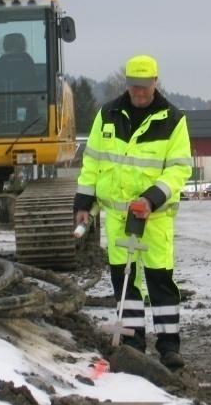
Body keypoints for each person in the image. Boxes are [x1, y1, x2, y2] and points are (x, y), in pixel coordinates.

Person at [73, 54, 192, 369]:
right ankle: (132, 343)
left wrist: (151, 199)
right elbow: (92, 163)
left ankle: (169, 348)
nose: (139, 92)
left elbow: (179, 170)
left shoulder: (172, 119)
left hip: (154, 220)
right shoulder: (108, 114)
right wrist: (84, 205)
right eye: (134, 86)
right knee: (124, 281)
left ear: (156, 81)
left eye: (145, 86)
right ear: (127, 83)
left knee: (159, 281)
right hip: (116, 219)